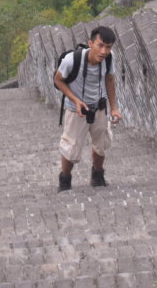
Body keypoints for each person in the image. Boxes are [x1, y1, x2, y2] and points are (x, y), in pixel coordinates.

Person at [54, 25, 122, 191]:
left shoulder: (109, 58)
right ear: (90, 43)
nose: (104, 51)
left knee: (102, 143)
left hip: (99, 108)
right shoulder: (71, 60)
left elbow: (110, 80)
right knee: (71, 149)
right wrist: (76, 100)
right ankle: (65, 179)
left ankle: (97, 176)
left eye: (108, 47)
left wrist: (113, 108)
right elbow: (58, 80)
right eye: (100, 45)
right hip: (77, 111)